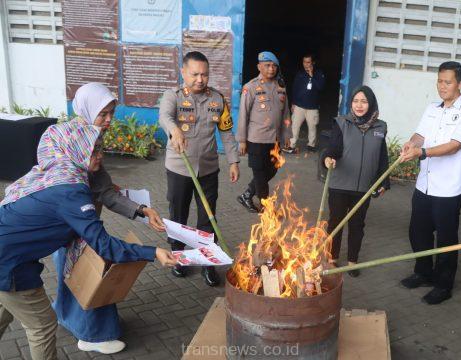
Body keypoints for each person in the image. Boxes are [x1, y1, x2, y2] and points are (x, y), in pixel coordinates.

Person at [0, 120, 176, 360]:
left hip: (9, 255)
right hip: (8, 264)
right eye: (92, 150)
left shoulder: (57, 170)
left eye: (100, 148)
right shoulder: (71, 189)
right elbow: (103, 245)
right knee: (42, 326)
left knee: (6, 308)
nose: (100, 156)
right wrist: (153, 252)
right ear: (74, 149)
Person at [52, 83, 166, 354]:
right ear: (87, 109)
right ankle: (93, 336)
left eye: (111, 113)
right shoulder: (72, 141)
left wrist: (142, 210)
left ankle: (69, 318)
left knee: (71, 273)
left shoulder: (91, 138)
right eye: (103, 114)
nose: (108, 120)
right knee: (92, 273)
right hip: (72, 222)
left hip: (77, 222)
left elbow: (103, 189)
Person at [400, 61, 461, 305]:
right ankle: (423, 272)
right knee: (418, 232)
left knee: (445, 239)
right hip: (424, 184)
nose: (442, 86)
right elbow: (420, 134)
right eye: (439, 81)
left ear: (460, 84)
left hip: (449, 189)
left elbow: (454, 146)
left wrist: (421, 153)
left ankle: (443, 285)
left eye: (448, 82)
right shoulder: (432, 108)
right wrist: (411, 143)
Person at [159, 51, 240, 286]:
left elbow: (226, 132)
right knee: (178, 215)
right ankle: (178, 257)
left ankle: (208, 264)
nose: (200, 79)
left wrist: (233, 161)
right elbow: (164, 117)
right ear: (183, 72)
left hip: (207, 169)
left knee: (207, 217)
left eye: (204, 74)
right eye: (195, 74)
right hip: (178, 168)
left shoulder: (218, 100)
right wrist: (174, 130)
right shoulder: (172, 96)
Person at [322, 85, 389, 277]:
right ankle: (332, 259)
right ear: (351, 103)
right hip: (339, 184)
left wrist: (384, 182)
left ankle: (352, 261)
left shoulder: (380, 126)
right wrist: (328, 158)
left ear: (371, 103)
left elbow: (382, 157)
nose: (359, 105)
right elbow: (332, 148)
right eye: (356, 101)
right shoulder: (342, 122)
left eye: (364, 101)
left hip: (364, 187)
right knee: (336, 222)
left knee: (357, 224)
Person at [236, 51, 292, 213]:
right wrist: (242, 140)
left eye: (274, 66)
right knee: (260, 175)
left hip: (274, 140)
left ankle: (247, 194)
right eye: (267, 65)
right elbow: (243, 115)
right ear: (259, 67)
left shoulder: (280, 87)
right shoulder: (251, 87)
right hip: (256, 139)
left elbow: (286, 114)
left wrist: (287, 135)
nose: (271, 69)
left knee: (274, 168)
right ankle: (266, 209)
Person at [285, 53, 325, 153]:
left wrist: (312, 76)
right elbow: (294, 89)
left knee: (312, 127)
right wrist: (293, 103)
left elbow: (320, 87)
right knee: (294, 126)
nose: (306, 64)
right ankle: (291, 145)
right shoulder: (300, 74)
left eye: (308, 62)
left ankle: (311, 145)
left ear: (313, 63)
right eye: (304, 62)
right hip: (299, 106)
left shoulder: (319, 73)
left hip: (313, 107)